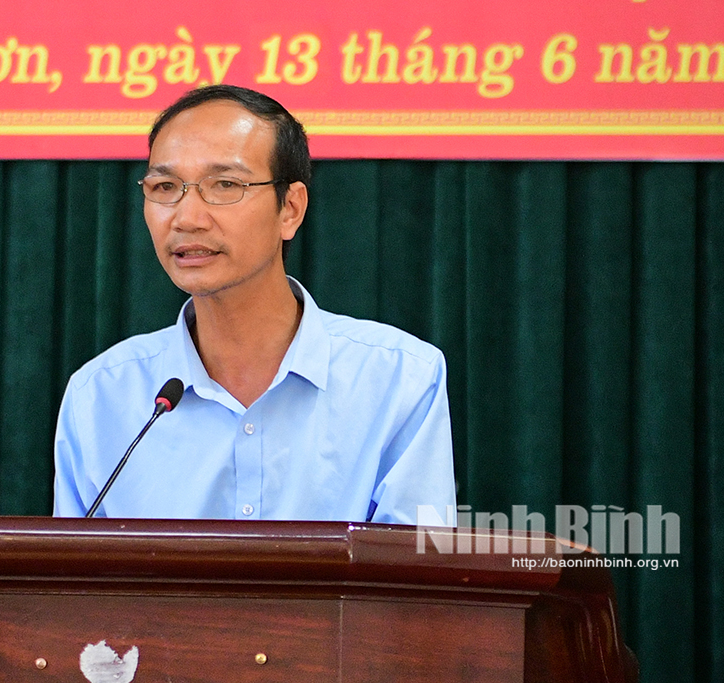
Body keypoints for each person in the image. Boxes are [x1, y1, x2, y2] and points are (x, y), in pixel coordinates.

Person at [53, 85, 455, 524]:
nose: (186, 218)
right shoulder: (101, 397)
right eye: (165, 186)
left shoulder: (399, 380)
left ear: (291, 209)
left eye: (225, 184)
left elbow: (414, 583)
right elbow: (76, 588)